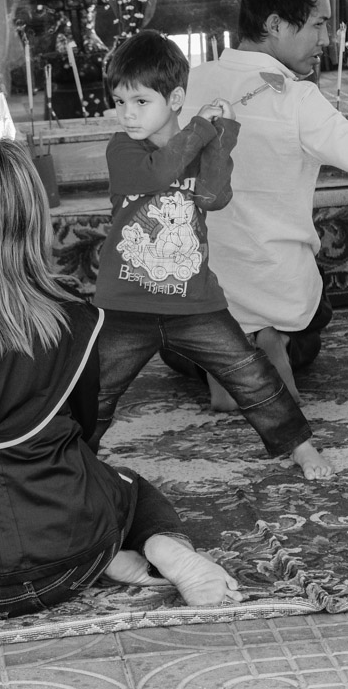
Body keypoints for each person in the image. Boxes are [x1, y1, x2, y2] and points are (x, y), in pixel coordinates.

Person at [0, 137, 243, 617]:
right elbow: (82, 429)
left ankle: (111, 556)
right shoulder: (74, 314)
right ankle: (159, 547)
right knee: (129, 486)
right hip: (72, 560)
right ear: (35, 217)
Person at [90, 29, 334, 481]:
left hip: (195, 301)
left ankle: (299, 446)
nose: (127, 113)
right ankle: (67, 456)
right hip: (126, 303)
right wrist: (200, 130)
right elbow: (156, 174)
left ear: (175, 99)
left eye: (140, 101)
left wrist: (223, 136)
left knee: (251, 374)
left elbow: (213, 197)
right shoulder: (122, 148)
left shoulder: (194, 143)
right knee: (96, 389)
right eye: (120, 101)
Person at [177, 0, 345, 412]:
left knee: (176, 341)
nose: (326, 40)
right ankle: (271, 340)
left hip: (194, 306)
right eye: (318, 24)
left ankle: (223, 357)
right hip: (283, 299)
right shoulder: (299, 99)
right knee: (317, 313)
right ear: (274, 24)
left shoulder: (187, 85)